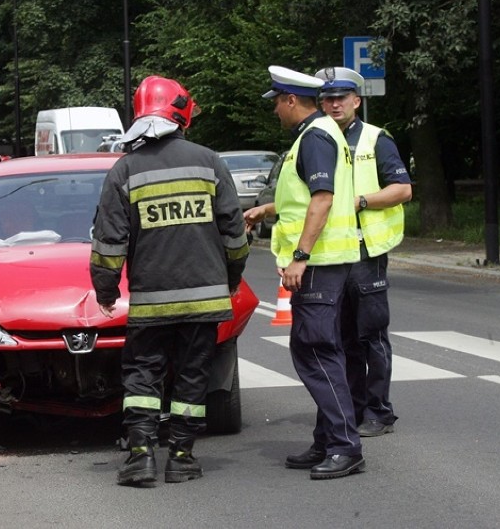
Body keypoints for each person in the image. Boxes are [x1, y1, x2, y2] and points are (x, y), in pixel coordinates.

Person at [90, 75, 249, 486]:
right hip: (204, 300)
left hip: (152, 302)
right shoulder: (210, 162)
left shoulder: (124, 170)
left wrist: (105, 290)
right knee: (193, 374)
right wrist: (232, 278)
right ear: (183, 114)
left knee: (143, 376)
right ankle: (182, 456)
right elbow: (235, 234)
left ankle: (140, 456)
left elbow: (109, 242)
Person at [243, 65, 364, 480]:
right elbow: (307, 198)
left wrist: (300, 255)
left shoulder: (313, 138)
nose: (275, 109)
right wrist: (266, 208)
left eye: (277, 101)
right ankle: (328, 440)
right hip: (334, 262)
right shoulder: (323, 134)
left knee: (315, 352)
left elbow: (323, 199)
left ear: (292, 100)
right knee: (324, 350)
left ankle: (346, 446)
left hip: (320, 265)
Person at [315, 66, 412, 437]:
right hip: (331, 256)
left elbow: (402, 189)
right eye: (328, 98)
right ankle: (351, 409)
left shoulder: (375, 139)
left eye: (341, 98)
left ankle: (379, 411)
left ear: (356, 101)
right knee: (341, 338)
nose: (334, 104)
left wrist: (361, 200)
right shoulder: (317, 138)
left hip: (365, 253)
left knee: (371, 336)